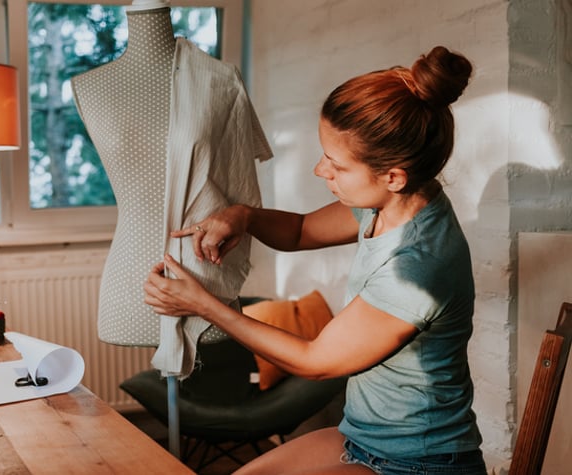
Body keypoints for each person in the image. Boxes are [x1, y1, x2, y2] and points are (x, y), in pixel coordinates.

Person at [144, 45, 488, 475]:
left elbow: (315, 361)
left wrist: (201, 304)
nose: (320, 171)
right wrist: (244, 216)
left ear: (393, 176)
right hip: (361, 438)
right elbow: (300, 231)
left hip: (419, 462)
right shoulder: (389, 203)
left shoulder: (418, 266)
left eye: (337, 165)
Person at [72, 1, 271, 377]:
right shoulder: (91, 86)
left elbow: (238, 180)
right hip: (130, 274)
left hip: (203, 272)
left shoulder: (218, 81)